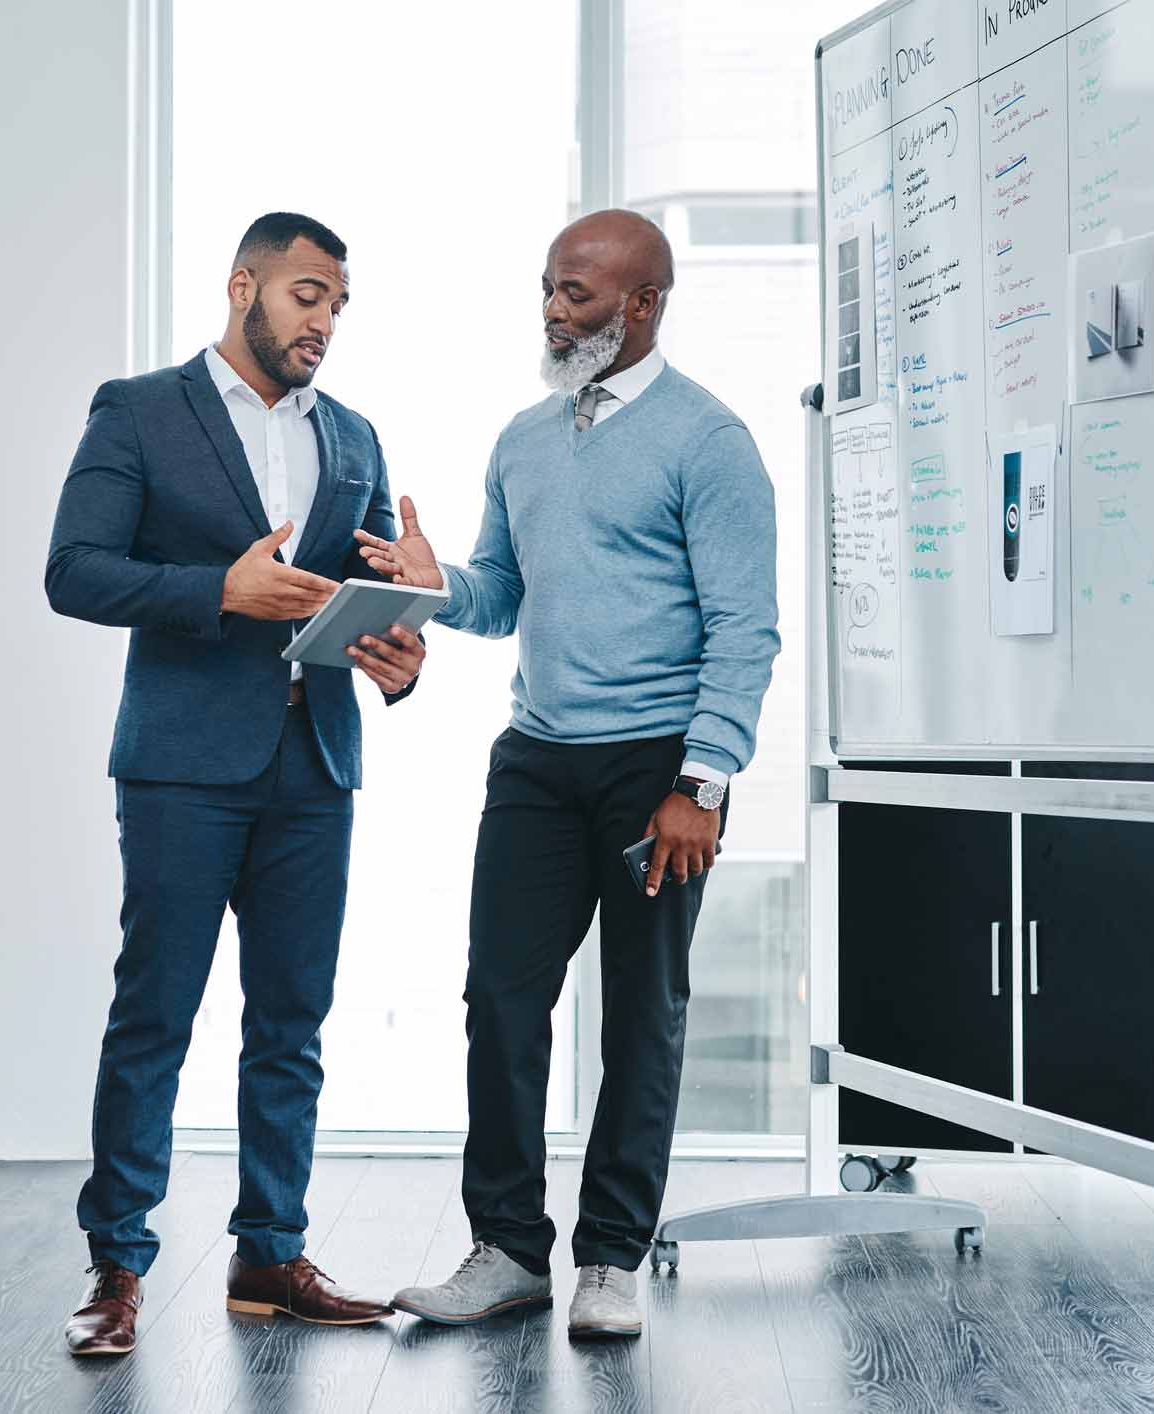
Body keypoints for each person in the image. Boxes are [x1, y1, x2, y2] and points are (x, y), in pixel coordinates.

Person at [358, 208, 780, 1341]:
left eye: (578, 295)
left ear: (641, 305)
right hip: (537, 761)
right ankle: (505, 1250)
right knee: (499, 998)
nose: (554, 309)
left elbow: (746, 629)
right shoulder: (522, 439)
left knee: (644, 1014)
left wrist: (703, 782)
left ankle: (610, 1260)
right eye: (548, 288)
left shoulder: (709, 440)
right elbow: (503, 593)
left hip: (658, 767)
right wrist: (434, 579)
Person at [45, 211, 426, 1356]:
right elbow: (75, 570)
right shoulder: (140, 410)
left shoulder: (353, 436)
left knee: (291, 1022)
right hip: (180, 765)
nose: (324, 321)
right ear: (242, 285)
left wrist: (400, 654)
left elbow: (366, 596)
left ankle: (269, 1253)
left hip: (315, 762)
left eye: (339, 305)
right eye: (308, 295)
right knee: (153, 1013)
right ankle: (116, 1264)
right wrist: (220, 590)